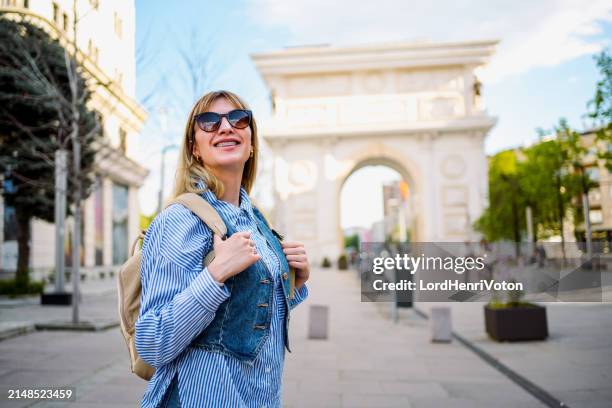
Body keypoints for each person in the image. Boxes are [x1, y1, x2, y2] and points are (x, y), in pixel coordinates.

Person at [135, 90, 310, 407]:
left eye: (238, 119)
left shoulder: (255, 220)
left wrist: (293, 281)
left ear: (251, 142)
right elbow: (152, 342)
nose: (226, 127)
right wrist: (216, 274)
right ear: (194, 149)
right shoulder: (181, 220)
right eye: (209, 121)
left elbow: (248, 317)